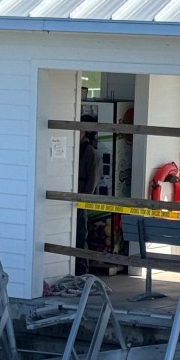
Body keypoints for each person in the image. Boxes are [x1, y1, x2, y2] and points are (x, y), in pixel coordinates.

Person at [75, 114, 100, 276]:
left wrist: (85, 199)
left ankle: (82, 270)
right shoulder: (74, 149)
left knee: (80, 235)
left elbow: (93, 179)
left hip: (81, 198)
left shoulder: (89, 151)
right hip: (71, 196)